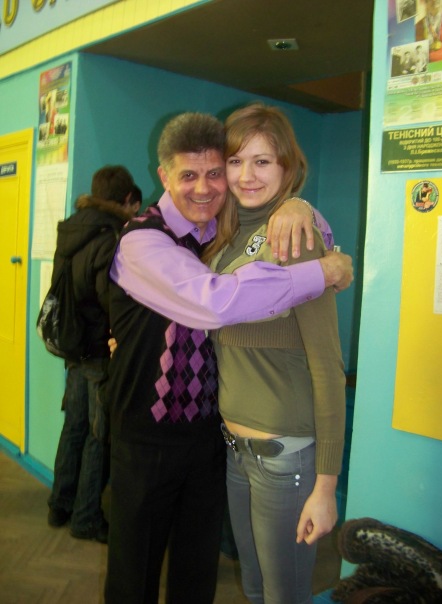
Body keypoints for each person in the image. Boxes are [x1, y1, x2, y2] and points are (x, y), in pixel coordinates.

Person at [104, 112, 353, 604]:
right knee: (135, 574)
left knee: (201, 573)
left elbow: (327, 364)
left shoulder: (225, 233)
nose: (206, 187)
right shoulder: (144, 240)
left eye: (215, 172)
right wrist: (323, 272)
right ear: (164, 177)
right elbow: (216, 302)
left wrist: (302, 208)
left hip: (215, 439)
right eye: (189, 175)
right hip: (150, 437)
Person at [203, 102, 346, 603]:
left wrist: (326, 487)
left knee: (284, 595)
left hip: (286, 458)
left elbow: (328, 367)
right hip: (236, 452)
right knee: (255, 586)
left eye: (262, 161)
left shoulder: (295, 237)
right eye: (236, 161)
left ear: (287, 167)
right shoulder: (223, 240)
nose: (246, 176)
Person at [47, 165, 139, 544]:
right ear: (126, 199)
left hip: (72, 344)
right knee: (98, 437)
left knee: (74, 428)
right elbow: (108, 299)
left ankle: (60, 505)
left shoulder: (71, 229)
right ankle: (86, 518)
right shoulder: (111, 235)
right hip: (99, 348)